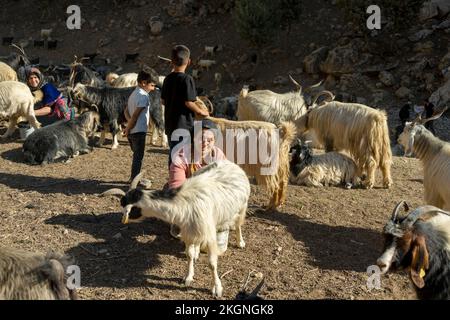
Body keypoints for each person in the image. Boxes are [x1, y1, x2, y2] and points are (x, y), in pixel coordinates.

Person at [167, 119, 226, 238]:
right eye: (200, 138)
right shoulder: (181, 156)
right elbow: (177, 188)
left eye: (210, 140)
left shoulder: (218, 156)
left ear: (214, 141)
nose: (205, 143)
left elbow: (224, 184)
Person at [161, 44, 209, 167]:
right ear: (189, 62)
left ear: (171, 62)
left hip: (170, 124)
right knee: (182, 155)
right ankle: (177, 181)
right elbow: (188, 102)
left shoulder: (167, 79)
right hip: (184, 125)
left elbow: (163, 101)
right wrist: (201, 112)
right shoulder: (187, 79)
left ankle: (173, 178)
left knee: (173, 153)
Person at [123, 69, 159, 182]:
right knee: (138, 157)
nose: (153, 89)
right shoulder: (144, 97)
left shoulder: (133, 94)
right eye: (152, 85)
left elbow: (125, 111)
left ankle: (134, 177)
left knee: (136, 155)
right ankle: (134, 179)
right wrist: (128, 128)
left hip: (133, 131)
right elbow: (135, 116)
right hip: (138, 131)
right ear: (144, 83)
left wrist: (129, 126)